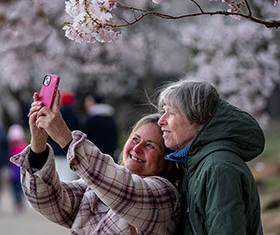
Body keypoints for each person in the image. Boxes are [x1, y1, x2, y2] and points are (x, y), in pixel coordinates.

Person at [11, 89, 183, 234]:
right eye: (135, 139)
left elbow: (125, 191)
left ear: (167, 158)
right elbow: (50, 202)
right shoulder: (97, 189)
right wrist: (38, 144)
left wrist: (65, 137)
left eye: (150, 146)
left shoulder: (165, 195)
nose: (137, 149)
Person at [157, 78, 264, 234]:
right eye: (163, 112)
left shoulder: (218, 168)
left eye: (171, 113)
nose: (161, 121)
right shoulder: (198, 164)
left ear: (200, 119)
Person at [46, 90, 82, 181]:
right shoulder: (75, 116)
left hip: (56, 150)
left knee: (57, 177)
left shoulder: (55, 115)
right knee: (68, 179)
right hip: (69, 150)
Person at [84, 93, 119, 158]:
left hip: (93, 155)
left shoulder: (91, 120)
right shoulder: (111, 119)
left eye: (89, 101)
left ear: (94, 102)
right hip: (109, 156)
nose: (86, 104)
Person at [7, 123, 28, 213]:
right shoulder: (10, 147)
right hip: (14, 172)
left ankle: (19, 204)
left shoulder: (24, 146)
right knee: (15, 189)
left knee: (19, 189)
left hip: (20, 172)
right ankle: (17, 203)